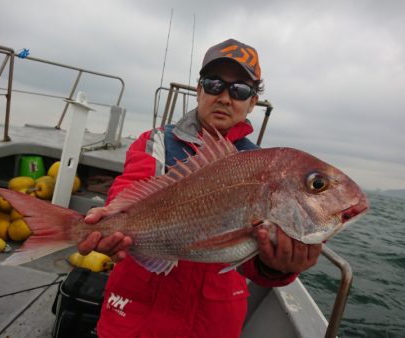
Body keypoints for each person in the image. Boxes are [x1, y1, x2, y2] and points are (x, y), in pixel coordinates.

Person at [78, 38, 322, 338]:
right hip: (136, 309)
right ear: (199, 90)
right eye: (214, 84)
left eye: (240, 90)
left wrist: (277, 267)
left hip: (211, 321)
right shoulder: (156, 142)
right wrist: (111, 215)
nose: (224, 97)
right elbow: (130, 188)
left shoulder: (260, 167)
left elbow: (251, 260)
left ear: (252, 102)